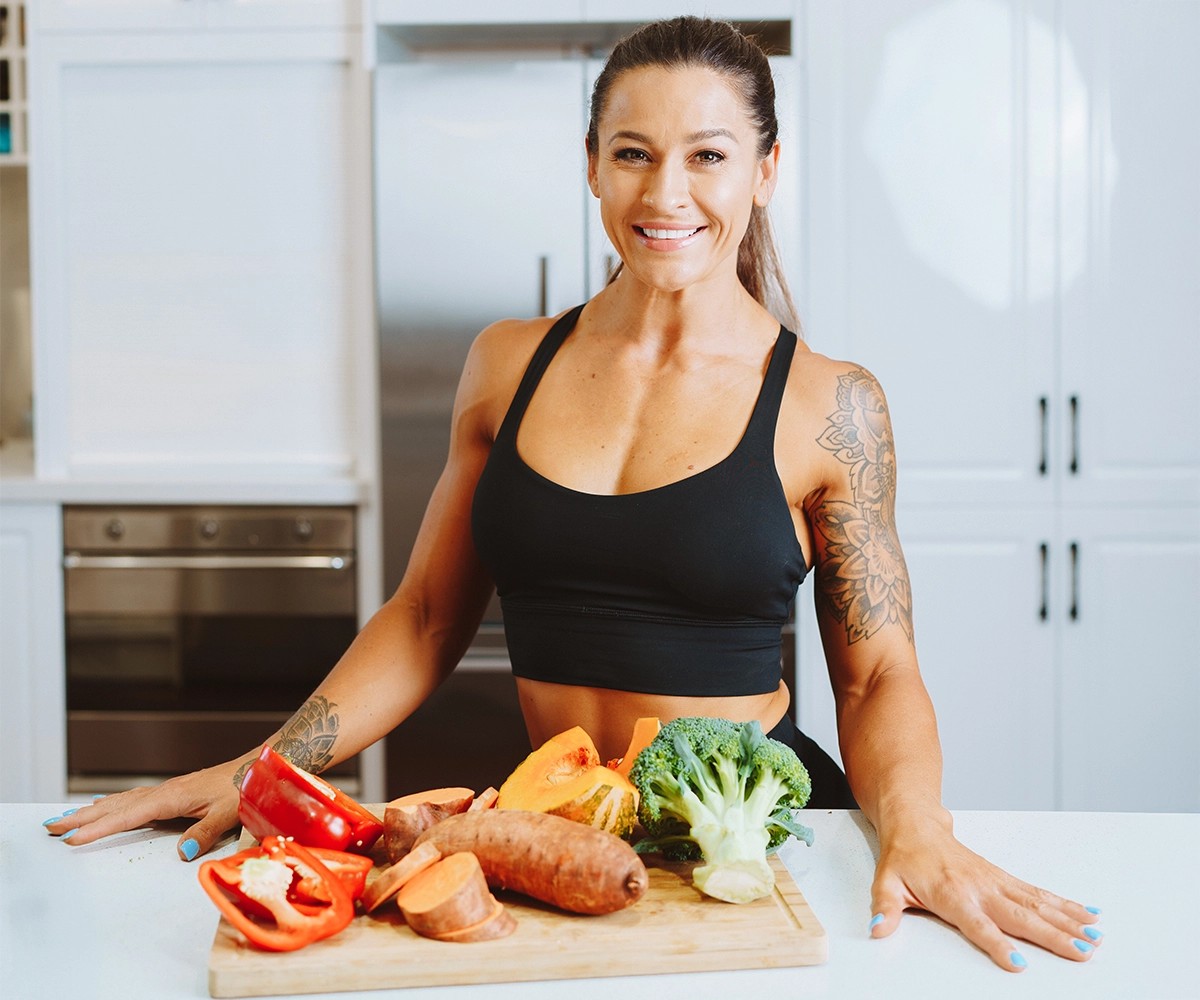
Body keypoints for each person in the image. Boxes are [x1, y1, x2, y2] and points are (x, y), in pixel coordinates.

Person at [43, 16, 1100, 972]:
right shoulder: (507, 365)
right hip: (549, 829)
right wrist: (261, 770)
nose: (665, 194)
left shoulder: (831, 406)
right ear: (591, 168)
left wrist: (917, 826)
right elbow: (420, 622)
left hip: (752, 842)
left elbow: (876, 680)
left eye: (708, 157)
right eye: (632, 154)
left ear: (766, 171)